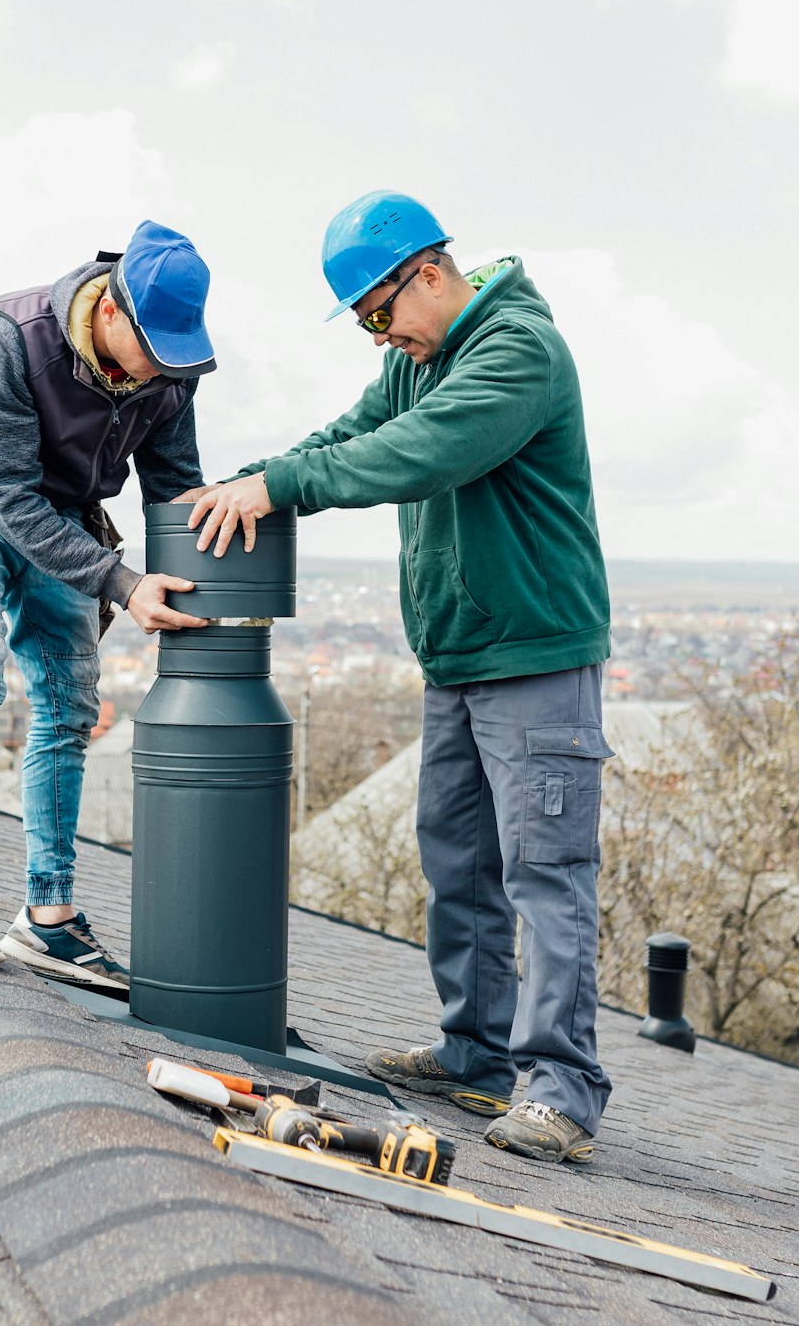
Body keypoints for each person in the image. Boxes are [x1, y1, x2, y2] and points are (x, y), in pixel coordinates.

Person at [185, 192, 614, 1163]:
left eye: (379, 313)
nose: (375, 337)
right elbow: (343, 438)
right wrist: (243, 481)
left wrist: (280, 488)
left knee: (546, 874)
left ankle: (562, 1089)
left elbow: (414, 455)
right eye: (363, 324)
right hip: (458, 656)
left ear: (427, 273)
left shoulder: (515, 351)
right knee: (457, 863)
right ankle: (474, 1053)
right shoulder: (412, 361)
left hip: (537, 657)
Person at [0, 220, 211, 988]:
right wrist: (121, 582)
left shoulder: (172, 373)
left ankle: (48, 915)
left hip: (68, 513)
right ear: (110, 313)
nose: (161, 374)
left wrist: (201, 574)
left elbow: (174, 489)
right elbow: (10, 497)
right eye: (154, 353)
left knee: (69, 706)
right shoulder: (11, 336)